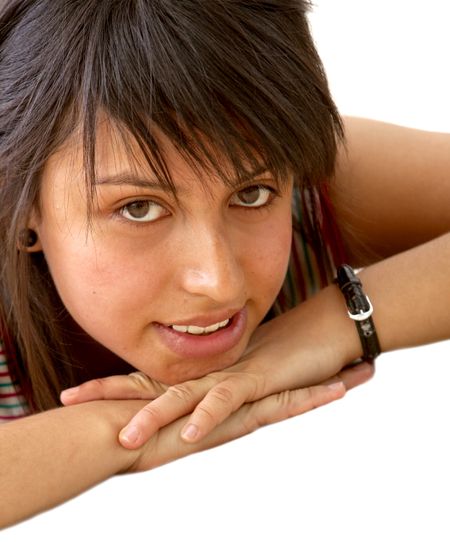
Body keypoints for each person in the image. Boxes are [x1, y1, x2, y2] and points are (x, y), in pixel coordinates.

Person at [0, 0, 448, 528]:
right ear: (20, 202)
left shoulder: (307, 175)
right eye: (138, 208)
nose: (217, 281)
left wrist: (331, 327)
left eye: (252, 195)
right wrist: (122, 429)